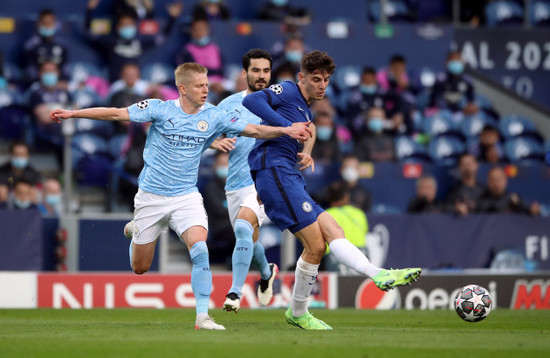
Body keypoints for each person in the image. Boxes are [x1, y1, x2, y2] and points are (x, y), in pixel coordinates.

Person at [49, 62, 311, 330]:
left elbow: (254, 130)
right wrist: (73, 113)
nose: (206, 90)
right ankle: (136, 231)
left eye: (207, 84)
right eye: (200, 86)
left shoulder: (214, 115)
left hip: (186, 196)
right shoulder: (159, 109)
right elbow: (115, 114)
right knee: (140, 267)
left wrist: (286, 130)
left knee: (200, 249)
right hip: (152, 197)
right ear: (182, 88)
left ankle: (202, 317)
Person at [243, 50, 421, 330]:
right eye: (315, 79)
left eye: (326, 79)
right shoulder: (288, 90)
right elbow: (251, 99)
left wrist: (308, 150)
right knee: (315, 245)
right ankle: (299, 313)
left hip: (287, 173)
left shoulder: (305, 108)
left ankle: (377, 274)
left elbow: (309, 128)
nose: (322, 85)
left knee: (333, 230)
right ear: (301, 78)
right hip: (275, 171)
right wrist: (287, 128)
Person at [216, 49, 279, 313]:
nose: (262, 76)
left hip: (265, 179)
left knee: (243, 228)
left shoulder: (281, 101)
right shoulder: (229, 104)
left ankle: (234, 293)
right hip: (235, 184)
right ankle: (266, 274)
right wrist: (215, 143)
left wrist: (305, 152)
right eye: (256, 70)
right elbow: (205, 133)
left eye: (266, 70)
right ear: (245, 73)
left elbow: (307, 127)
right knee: (250, 242)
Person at [85, 0, 183, 82]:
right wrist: (89, 10)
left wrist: (172, 19)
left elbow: (161, 38)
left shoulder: (139, 43)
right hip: (116, 84)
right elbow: (89, 34)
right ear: (117, 27)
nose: (127, 27)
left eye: (130, 24)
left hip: (136, 86)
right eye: (123, 24)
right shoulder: (111, 42)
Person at [323, 181, 368, 275]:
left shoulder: (325, 215)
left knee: (336, 287)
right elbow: (365, 231)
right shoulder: (359, 213)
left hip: (334, 257)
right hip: (360, 254)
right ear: (346, 196)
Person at [175, 18, 225, 102]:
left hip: (220, 83)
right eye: (196, 30)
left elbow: (222, 70)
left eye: (201, 29)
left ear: (207, 31)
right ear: (191, 32)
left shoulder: (215, 49)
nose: (199, 33)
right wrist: (211, 82)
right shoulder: (186, 51)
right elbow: (193, 73)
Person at [201, 151, 235, 264]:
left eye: (227, 163)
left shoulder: (238, 186)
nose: (224, 167)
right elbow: (219, 210)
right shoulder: (210, 187)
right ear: (215, 165)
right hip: (220, 229)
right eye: (221, 164)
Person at [22, 9, 68, 84]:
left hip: (59, 85)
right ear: (39, 24)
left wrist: (60, 83)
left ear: (55, 24)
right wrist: (44, 83)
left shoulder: (61, 45)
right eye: (45, 23)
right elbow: (29, 71)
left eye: (50, 23)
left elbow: (65, 70)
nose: (47, 25)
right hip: (37, 84)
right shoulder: (31, 46)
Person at [429, 50, 478, 116]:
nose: (456, 63)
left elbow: (471, 100)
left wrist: (470, 107)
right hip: (443, 113)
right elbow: (436, 101)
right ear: (447, 62)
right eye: (454, 60)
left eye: (458, 60)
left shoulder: (467, 81)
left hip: (463, 114)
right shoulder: (440, 80)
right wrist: (460, 109)